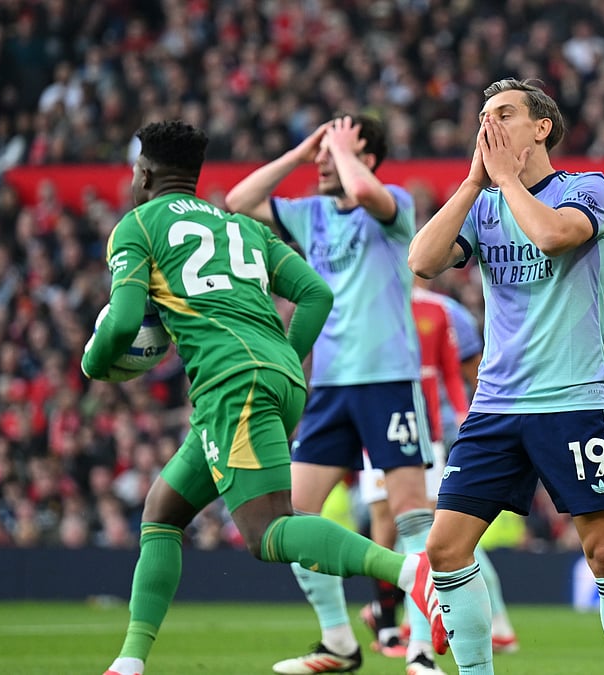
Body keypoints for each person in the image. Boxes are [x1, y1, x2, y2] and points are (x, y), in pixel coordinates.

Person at [86, 119, 439, 675]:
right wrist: (285, 358)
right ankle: (130, 660)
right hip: (277, 380)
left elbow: (125, 319)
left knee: (269, 531)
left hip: (241, 384)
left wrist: (95, 363)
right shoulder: (239, 225)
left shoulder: (138, 226)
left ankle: (406, 574)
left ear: (144, 173)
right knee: (163, 510)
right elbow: (315, 292)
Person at [409, 77, 604, 675]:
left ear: (541, 128)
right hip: (494, 406)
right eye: (484, 116)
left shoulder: (584, 188)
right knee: (444, 548)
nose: (489, 125)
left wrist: (508, 179)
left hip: (570, 400)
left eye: (505, 114)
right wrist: (472, 183)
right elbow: (421, 261)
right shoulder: (484, 204)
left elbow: (552, 235)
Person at [225, 115, 443, 675]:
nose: (323, 161)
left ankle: (419, 649)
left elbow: (367, 190)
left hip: (389, 379)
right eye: (321, 154)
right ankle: (339, 642)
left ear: (365, 155)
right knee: (291, 515)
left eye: (333, 150)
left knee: (412, 515)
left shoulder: (392, 204)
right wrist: (301, 153)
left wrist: (343, 153)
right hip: (328, 387)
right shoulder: (312, 212)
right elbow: (237, 200)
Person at [357, 280, 519, 657]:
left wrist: (468, 415)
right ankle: (392, 619)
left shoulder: (445, 313)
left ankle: (413, 622)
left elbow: (465, 370)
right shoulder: (373, 305)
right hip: (385, 425)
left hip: (432, 431)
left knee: (437, 529)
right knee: (397, 526)